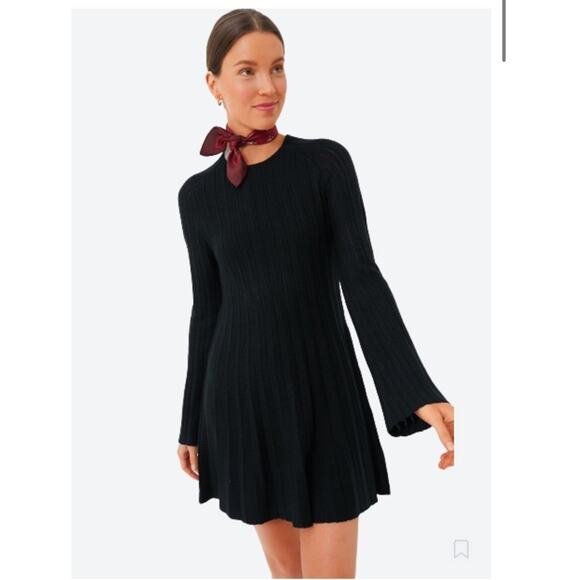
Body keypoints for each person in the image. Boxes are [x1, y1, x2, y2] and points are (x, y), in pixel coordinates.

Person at [176, 8, 455, 578]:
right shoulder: (196, 197)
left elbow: (362, 278)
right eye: (247, 71)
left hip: (323, 392)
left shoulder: (325, 164)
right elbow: (207, 311)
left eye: (278, 68)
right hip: (242, 399)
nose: (268, 86)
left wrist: (415, 391)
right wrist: (191, 421)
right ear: (213, 84)